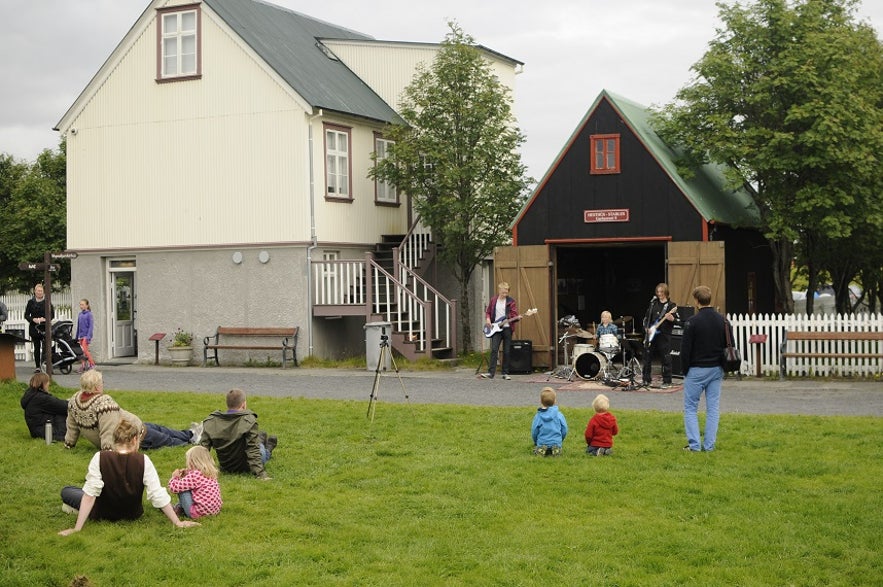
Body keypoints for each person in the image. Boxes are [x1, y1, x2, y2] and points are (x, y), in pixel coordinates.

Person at [58, 419, 200, 535]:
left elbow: (90, 494)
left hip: (102, 513)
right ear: (135, 439)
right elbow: (157, 494)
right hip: (132, 513)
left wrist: (77, 528)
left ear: (115, 440)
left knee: (68, 491)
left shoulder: (100, 457)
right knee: (79, 493)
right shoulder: (144, 460)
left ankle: (77, 510)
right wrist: (177, 523)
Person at [65, 369, 201, 451]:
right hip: (135, 436)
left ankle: (190, 433)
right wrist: (108, 451)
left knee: (160, 428)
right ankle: (193, 446)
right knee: (166, 440)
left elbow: (71, 426)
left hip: (137, 426)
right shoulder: (103, 404)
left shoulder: (75, 399)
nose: (103, 385)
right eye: (101, 383)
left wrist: (69, 443)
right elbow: (108, 430)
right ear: (95, 387)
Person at [680, 285, 729, 452]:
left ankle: (694, 445)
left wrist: (684, 370)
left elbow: (685, 350)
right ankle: (709, 446)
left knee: (690, 408)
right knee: (713, 408)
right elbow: (730, 345)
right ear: (710, 299)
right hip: (716, 368)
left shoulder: (692, 322)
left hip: (696, 369)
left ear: (696, 301)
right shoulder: (723, 320)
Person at [199, 388, 277, 480]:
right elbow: (253, 450)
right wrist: (261, 475)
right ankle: (268, 449)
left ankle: (261, 440)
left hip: (226, 466)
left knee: (257, 443)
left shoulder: (212, 422)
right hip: (247, 466)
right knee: (261, 450)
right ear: (243, 404)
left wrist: (196, 471)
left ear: (227, 404)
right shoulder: (248, 421)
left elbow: (201, 450)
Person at [168, 445, 223, 519]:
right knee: (189, 487)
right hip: (214, 511)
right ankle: (179, 508)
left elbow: (174, 488)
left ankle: (177, 508)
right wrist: (187, 473)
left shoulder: (194, 475)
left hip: (198, 513)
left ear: (192, 461)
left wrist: (174, 477)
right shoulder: (211, 472)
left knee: (183, 490)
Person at [642, 282, 678, 389]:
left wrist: (672, 318)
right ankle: (646, 379)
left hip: (664, 335)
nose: (659, 294)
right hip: (652, 334)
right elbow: (646, 318)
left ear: (666, 292)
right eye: (658, 292)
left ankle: (667, 380)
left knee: (665, 357)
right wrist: (646, 328)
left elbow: (677, 321)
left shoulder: (671, 306)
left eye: (661, 292)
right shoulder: (653, 304)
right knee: (647, 357)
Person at [481, 282, 518, 380]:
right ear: (499, 291)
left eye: (506, 292)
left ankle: (505, 373)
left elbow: (515, 315)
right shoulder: (493, 300)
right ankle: (490, 373)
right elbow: (488, 312)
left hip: (507, 329)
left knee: (506, 351)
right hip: (495, 328)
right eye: (503, 292)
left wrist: (512, 318)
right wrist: (488, 320)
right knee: (494, 350)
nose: (505, 294)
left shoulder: (511, 301)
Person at [20, 372, 68, 441]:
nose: (49, 384)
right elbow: (63, 406)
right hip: (44, 431)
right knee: (65, 412)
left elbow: (56, 403)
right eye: (47, 382)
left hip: (36, 431)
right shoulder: (41, 398)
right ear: (43, 384)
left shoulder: (31, 394)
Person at [24, 283, 54, 373]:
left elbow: (52, 314)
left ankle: (45, 365)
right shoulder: (30, 302)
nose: (40, 292)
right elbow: (26, 315)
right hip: (34, 327)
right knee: (37, 347)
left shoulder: (47, 301)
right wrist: (33, 319)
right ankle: (37, 366)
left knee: (46, 347)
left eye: (41, 291)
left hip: (45, 327)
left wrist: (45, 319)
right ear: (35, 291)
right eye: (38, 291)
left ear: (43, 292)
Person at [531, 387, 568, 456]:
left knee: (539, 446)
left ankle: (542, 448)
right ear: (555, 401)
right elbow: (564, 429)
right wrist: (560, 439)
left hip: (542, 441)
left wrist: (535, 441)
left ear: (541, 401)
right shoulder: (559, 415)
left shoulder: (538, 416)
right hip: (556, 441)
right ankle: (555, 448)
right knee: (556, 445)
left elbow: (534, 431)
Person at [76, 299, 96, 373]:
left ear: (87, 305)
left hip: (86, 336)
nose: (81, 306)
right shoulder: (80, 314)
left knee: (85, 350)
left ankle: (92, 364)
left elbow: (91, 326)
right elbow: (78, 326)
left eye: (83, 304)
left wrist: (88, 336)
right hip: (81, 336)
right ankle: (83, 365)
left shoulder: (89, 314)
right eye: (80, 304)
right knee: (81, 352)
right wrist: (77, 336)